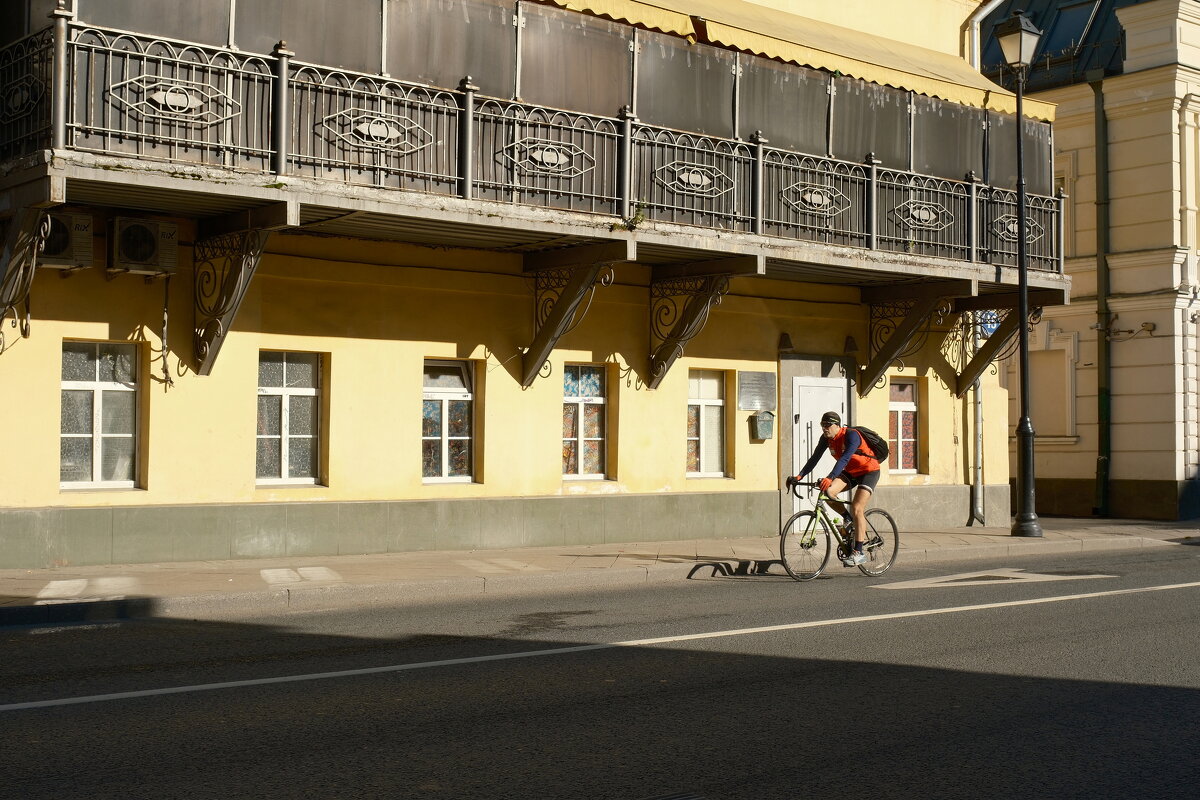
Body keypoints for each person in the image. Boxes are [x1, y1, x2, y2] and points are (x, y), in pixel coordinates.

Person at [789, 410, 882, 566]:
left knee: (858, 508)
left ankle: (858, 552)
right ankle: (847, 519)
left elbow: (845, 459)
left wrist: (830, 477)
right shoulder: (826, 439)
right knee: (828, 492)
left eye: (827, 425)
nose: (824, 428)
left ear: (837, 425)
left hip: (869, 471)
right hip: (851, 472)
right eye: (822, 425)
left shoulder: (851, 435)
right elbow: (814, 458)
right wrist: (799, 476)